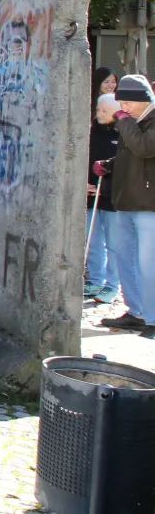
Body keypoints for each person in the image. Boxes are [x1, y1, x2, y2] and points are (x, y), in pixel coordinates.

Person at [97, 74, 155, 332]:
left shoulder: (141, 121)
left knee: (147, 263)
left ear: (145, 100)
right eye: (122, 103)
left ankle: (152, 318)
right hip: (126, 200)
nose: (124, 108)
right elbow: (131, 155)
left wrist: (123, 121)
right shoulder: (131, 122)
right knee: (125, 259)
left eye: (129, 102)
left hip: (148, 203)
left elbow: (143, 147)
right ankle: (136, 311)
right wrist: (109, 165)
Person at [85, 93, 121, 306]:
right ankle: (95, 280)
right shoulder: (91, 132)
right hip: (91, 196)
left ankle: (112, 284)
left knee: (114, 245)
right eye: (98, 109)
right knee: (93, 240)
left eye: (104, 111)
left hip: (112, 199)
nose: (99, 114)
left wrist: (105, 189)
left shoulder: (122, 134)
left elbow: (123, 168)